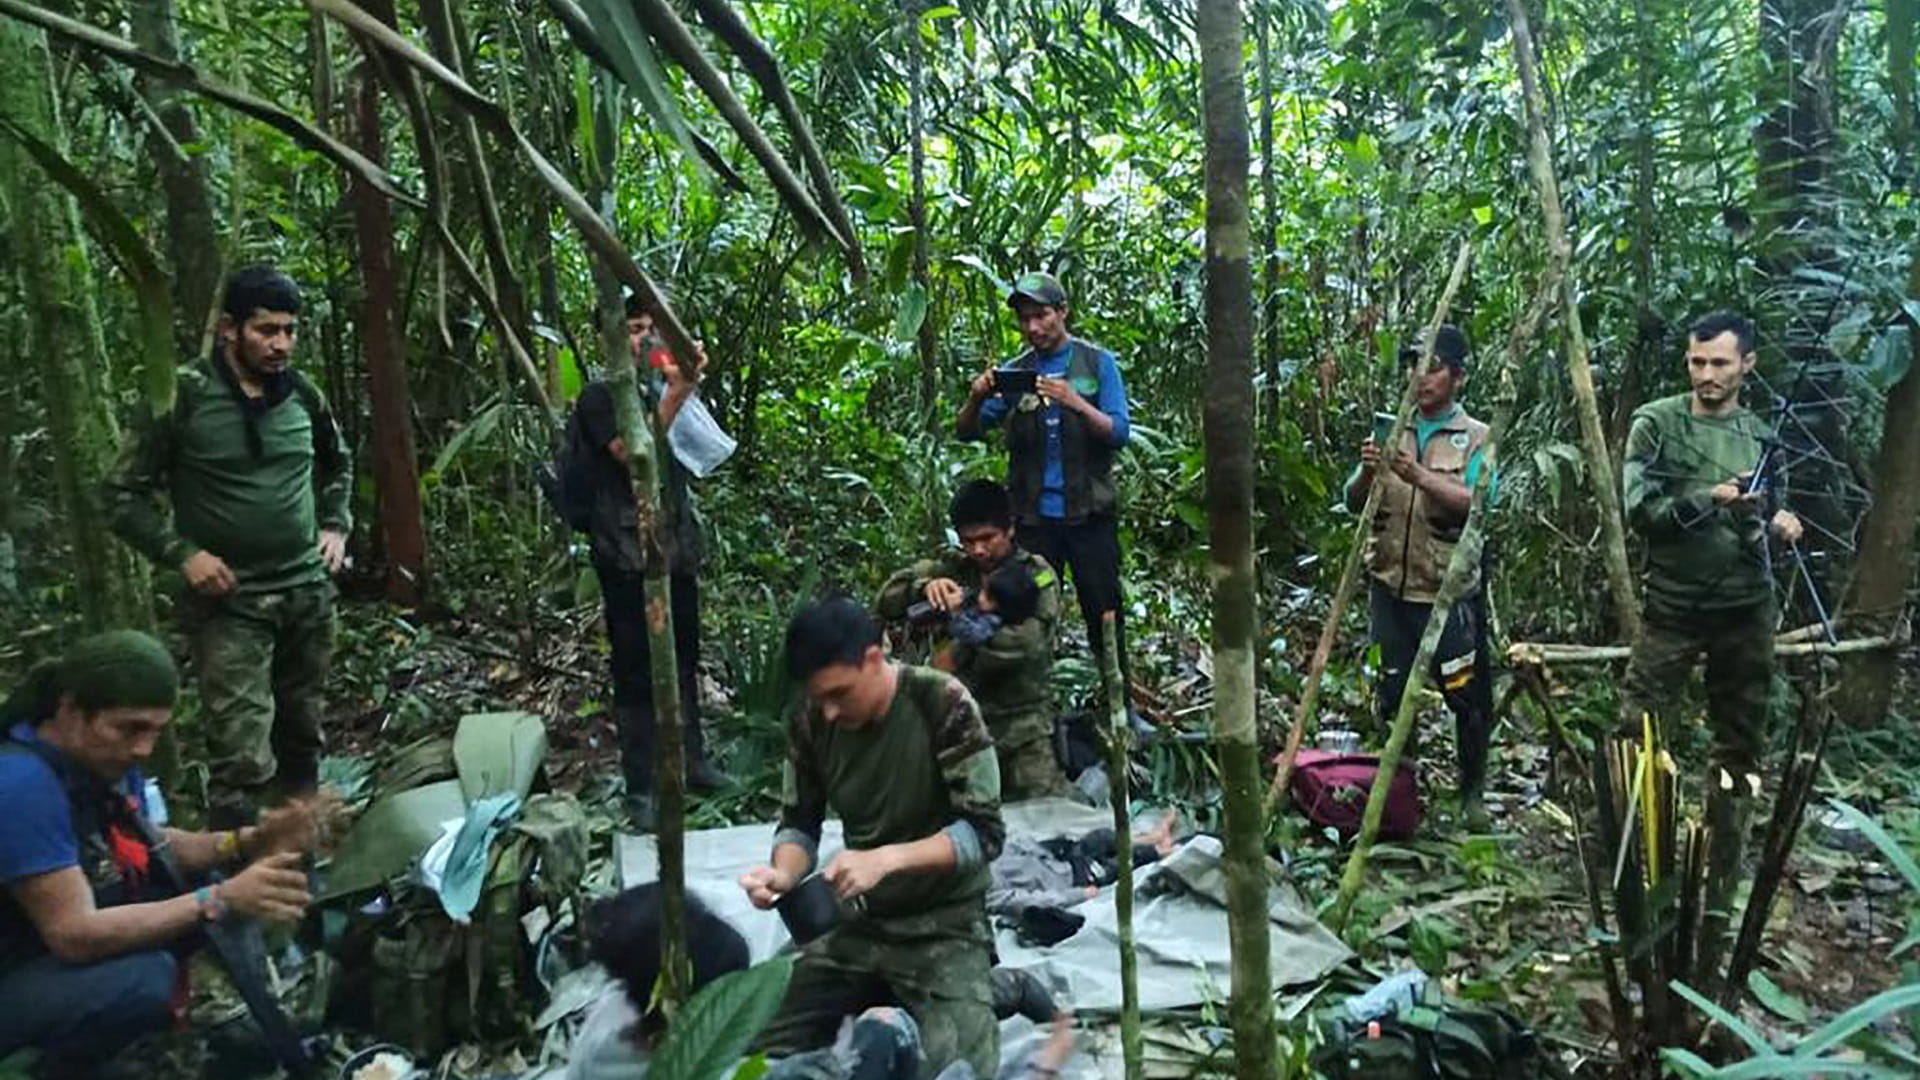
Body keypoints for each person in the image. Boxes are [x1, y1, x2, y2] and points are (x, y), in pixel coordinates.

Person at [0, 631, 323, 1075]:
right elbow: (73, 934)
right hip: (20, 969)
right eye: (130, 728)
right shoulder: (20, 785)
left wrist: (248, 840)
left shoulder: (98, 760)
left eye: (155, 730)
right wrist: (220, 899)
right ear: (70, 710)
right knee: (146, 978)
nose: (144, 749)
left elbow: (153, 844)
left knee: (206, 896)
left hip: (54, 937)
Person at [104, 263, 350, 825]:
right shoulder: (182, 396)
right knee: (241, 758)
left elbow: (338, 463)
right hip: (231, 604)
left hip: (306, 595)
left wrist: (335, 525)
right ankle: (239, 893)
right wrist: (183, 554)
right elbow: (120, 496)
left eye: (289, 330)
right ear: (230, 330)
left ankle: (298, 873)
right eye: (267, 330)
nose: (281, 344)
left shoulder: (302, 396)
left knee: (303, 737)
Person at [741, 597, 1004, 1080]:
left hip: (943, 925)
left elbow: (983, 835)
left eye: (839, 693)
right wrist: (783, 872)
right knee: (745, 1035)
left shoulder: (940, 701)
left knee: (966, 1068)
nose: (830, 711)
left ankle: (1000, 987)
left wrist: (885, 860)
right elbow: (800, 823)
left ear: (873, 659)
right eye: (819, 697)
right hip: (857, 923)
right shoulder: (812, 720)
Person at [1619, 310, 1801, 983]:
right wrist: (1708, 500)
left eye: (1721, 363)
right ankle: (1637, 860)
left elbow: (1765, 515)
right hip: (1674, 610)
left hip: (1745, 613)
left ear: (1746, 365)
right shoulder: (1657, 423)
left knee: (1740, 745)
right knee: (1636, 732)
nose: (1707, 375)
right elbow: (1640, 511)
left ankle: (1724, 866)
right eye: (1698, 362)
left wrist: (1775, 522)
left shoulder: (1761, 434)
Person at [575, 292, 727, 829]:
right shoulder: (600, 397)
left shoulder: (658, 386)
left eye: (647, 328)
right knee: (636, 669)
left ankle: (694, 759)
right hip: (625, 556)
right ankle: (641, 784)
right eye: (632, 330)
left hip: (674, 548)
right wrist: (678, 389)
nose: (642, 339)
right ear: (609, 339)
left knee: (684, 656)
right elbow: (632, 452)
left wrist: (684, 376)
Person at [955, 273, 1134, 717]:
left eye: (1041, 316)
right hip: (1034, 525)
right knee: (1026, 613)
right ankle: (1030, 709)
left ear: (1062, 312)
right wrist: (977, 398)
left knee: (1105, 613)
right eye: (1024, 319)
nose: (1033, 327)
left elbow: (1118, 432)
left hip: (1090, 519)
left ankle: (1120, 707)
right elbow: (968, 431)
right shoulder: (1018, 372)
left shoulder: (1096, 364)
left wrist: (1075, 402)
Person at [1343, 325, 1496, 826]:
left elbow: (1476, 504)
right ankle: (1401, 798)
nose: (1420, 376)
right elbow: (1353, 502)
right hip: (1391, 587)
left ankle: (1471, 794)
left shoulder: (1476, 438)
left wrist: (1418, 476)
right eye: (1413, 365)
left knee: (1466, 697)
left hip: (1447, 593)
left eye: (1432, 367)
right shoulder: (1395, 428)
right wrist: (1369, 471)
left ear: (1457, 376)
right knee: (1393, 694)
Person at [877, 480, 1072, 802]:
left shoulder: (1036, 573)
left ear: (1009, 529)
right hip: (957, 725)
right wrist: (924, 587)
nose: (978, 550)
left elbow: (1029, 643)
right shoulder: (953, 567)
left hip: (1021, 727)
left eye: (987, 538)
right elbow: (887, 601)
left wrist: (961, 640)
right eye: (969, 541)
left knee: (1048, 818)